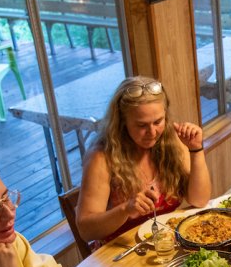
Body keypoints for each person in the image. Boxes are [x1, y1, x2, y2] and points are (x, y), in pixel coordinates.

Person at [76, 76, 210, 244]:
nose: (152, 132)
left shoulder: (172, 140)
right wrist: (125, 209)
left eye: (158, 121)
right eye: (141, 125)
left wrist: (196, 149)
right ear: (122, 122)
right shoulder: (101, 157)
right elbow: (86, 230)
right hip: (119, 252)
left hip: (165, 242)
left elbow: (199, 200)